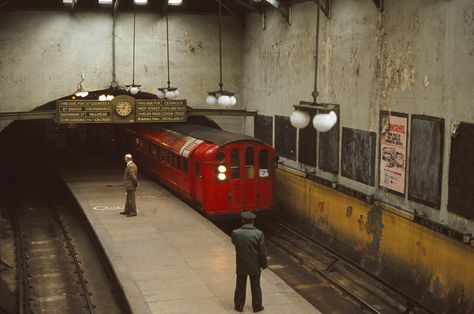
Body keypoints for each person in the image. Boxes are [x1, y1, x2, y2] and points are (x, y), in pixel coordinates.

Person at [231, 211, 267, 313]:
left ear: (242, 221)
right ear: (253, 221)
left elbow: (234, 242)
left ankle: (239, 306)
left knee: (240, 284)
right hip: (254, 265)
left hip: (241, 264)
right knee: (256, 285)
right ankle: (257, 306)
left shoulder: (236, 233)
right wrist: (263, 265)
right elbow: (263, 252)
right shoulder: (259, 234)